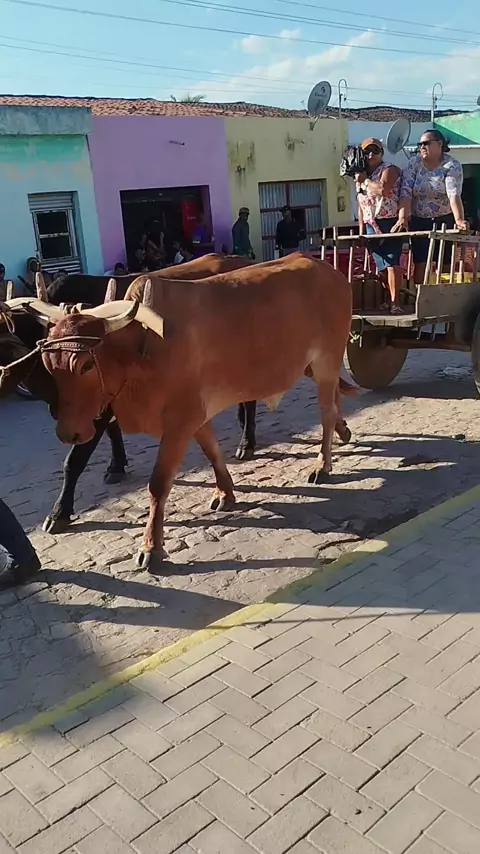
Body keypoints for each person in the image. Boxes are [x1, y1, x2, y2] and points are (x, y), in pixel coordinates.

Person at [396, 129, 467, 284]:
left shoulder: (452, 165)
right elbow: (405, 192)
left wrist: (459, 220)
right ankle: (420, 294)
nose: (422, 147)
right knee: (421, 261)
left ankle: (445, 292)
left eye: (426, 143)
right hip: (419, 220)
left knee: (445, 261)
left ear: (439, 144)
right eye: (420, 144)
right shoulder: (413, 163)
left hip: (444, 220)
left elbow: (453, 194)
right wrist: (402, 217)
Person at [355, 137, 403, 314]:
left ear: (382, 153)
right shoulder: (360, 175)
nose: (371, 154)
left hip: (389, 221)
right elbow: (361, 204)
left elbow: (383, 189)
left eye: (375, 151)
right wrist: (361, 230)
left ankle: (395, 302)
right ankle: (387, 299)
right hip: (370, 223)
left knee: (392, 262)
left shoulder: (389, 169)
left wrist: (365, 181)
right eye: (367, 151)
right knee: (381, 266)